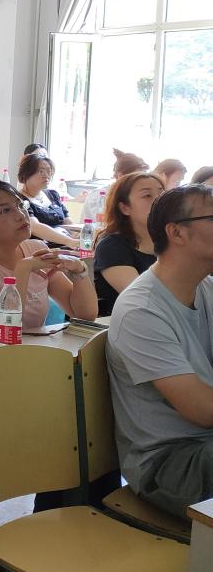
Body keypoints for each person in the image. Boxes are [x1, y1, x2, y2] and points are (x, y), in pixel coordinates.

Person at [105, 184, 213, 517]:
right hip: (169, 464)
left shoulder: (206, 288)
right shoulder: (142, 310)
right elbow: (202, 410)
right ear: (176, 232)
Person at [0, 181, 97, 338]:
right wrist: (23, 269)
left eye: (21, 205)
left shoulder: (36, 249)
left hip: (32, 348)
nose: (21, 215)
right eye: (5, 210)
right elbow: (5, 326)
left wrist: (79, 271)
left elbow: (85, 316)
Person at [93, 172, 165, 316]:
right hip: (134, 322)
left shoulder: (173, 240)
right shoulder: (111, 246)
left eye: (162, 193)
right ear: (125, 208)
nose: (159, 200)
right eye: (147, 195)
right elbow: (144, 299)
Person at [17, 153, 78, 248]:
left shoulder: (53, 194)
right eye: (41, 171)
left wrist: (77, 235)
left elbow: (67, 221)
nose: (46, 176)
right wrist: (68, 241)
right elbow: (35, 227)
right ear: (26, 174)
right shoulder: (19, 199)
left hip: (65, 245)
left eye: (49, 171)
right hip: (40, 248)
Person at [82, 148, 149, 222]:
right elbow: (99, 225)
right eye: (137, 177)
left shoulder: (138, 195)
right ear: (120, 176)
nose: (142, 182)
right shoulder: (99, 197)